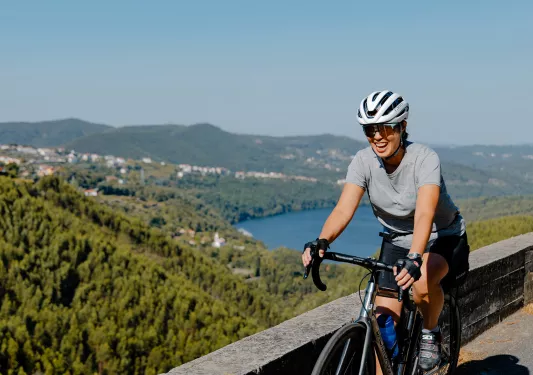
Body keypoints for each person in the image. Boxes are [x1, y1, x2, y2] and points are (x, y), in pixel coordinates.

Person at [302, 90, 469, 372]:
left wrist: (416, 256)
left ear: (402, 127)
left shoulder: (424, 159)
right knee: (383, 326)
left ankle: (430, 331)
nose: (377, 136)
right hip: (396, 242)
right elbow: (343, 210)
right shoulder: (363, 162)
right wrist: (321, 241)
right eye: (369, 130)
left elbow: (425, 213)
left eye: (385, 128)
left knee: (421, 284)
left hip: (441, 238)